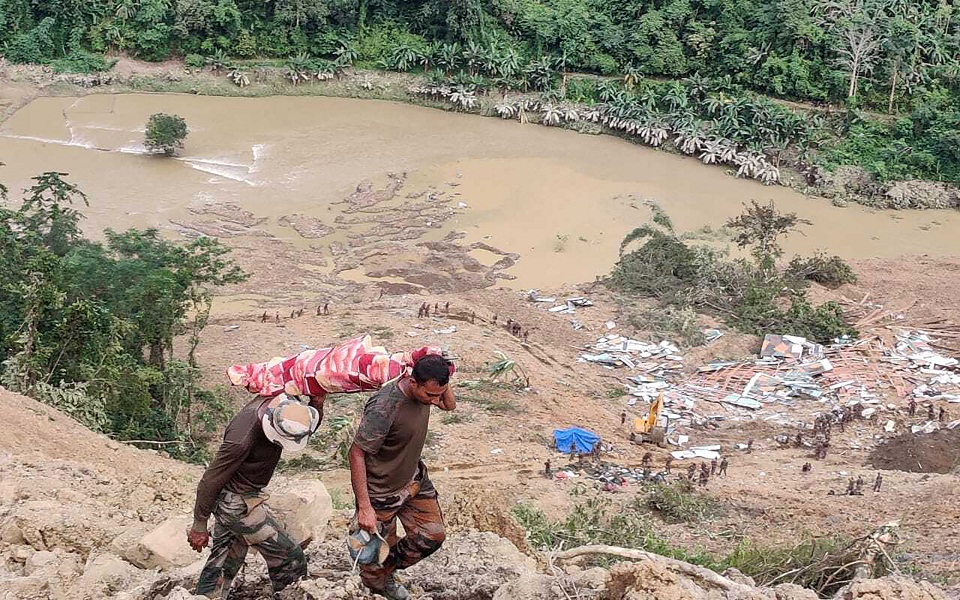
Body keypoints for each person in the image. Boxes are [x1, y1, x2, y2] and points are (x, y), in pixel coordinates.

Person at [189, 394, 320, 598]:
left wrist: (317, 401)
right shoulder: (241, 440)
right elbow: (210, 479)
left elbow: (302, 427)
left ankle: (206, 596)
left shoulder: (281, 403)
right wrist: (199, 524)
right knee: (289, 557)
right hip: (236, 502)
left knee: (224, 560)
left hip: (243, 497)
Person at [348, 355, 455, 599]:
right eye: (430, 395)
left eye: (439, 393)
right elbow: (356, 453)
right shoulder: (385, 407)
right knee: (374, 564)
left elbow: (450, 405)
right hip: (381, 492)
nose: (435, 401)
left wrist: (445, 381)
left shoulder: (432, 391)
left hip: (413, 480)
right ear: (412, 381)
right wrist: (365, 507)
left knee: (433, 535)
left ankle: (383, 568)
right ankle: (378, 580)